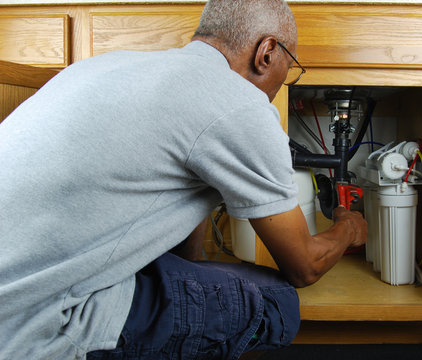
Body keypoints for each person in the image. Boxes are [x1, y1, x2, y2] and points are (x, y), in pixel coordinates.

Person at [0, 0, 367, 359]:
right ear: (267, 52)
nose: (281, 83)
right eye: (289, 68)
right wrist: (349, 227)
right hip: (37, 321)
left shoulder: (106, 66)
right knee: (279, 301)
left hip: (19, 282)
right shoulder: (240, 103)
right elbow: (304, 266)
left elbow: (179, 212)